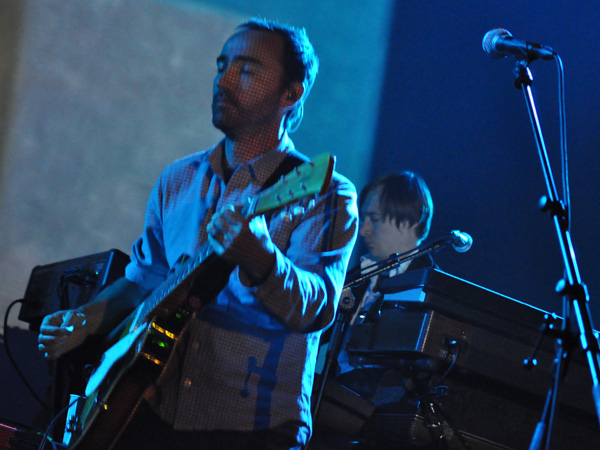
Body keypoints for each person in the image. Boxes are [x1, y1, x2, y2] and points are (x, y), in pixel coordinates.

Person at [37, 18, 358, 450]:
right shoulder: (178, 179)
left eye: (247, 70)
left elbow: (317, 309)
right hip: (148, 410)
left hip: (252, 428)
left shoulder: (325, 192)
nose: (223, 81)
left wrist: (261, 259)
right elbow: (144, 280)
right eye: (222, 66)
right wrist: (85, 320)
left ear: (291, 94)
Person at [310, 170, 435, 449]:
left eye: (374, 219)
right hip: (335, 409)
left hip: (384, 424)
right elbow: (314, 331)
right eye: (364, 218)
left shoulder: (432, 290)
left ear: (411, 220)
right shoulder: (355, 277)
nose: (364, 230)